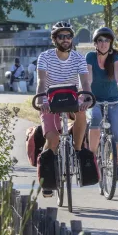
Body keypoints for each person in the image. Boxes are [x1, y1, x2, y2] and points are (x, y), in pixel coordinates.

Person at [36, 21, 92, 197]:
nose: (65, 39)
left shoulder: (78, 58)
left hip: (72, 100)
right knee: (52, 140)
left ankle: (77, 149)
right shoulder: (44, 57)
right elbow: (42, 81)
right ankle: (48, 177)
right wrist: (41, 100)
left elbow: (85, 82)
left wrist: (87, 97)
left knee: (82, 113)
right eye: (61, 36)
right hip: (50, 103)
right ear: (55, 39)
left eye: (68, 36)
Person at [86, 27, 118, 182]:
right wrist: (86, 94)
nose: (103, 44)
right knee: (95, 119)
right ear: (95, 43)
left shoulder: (116, 57)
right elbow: (89, 77)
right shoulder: (90, 57)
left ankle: (117, 164)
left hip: (113, 100)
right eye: (100, 40)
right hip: (95, 100)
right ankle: (91, 159)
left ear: (111, 43)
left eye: (106, 41)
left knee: (117, 132)